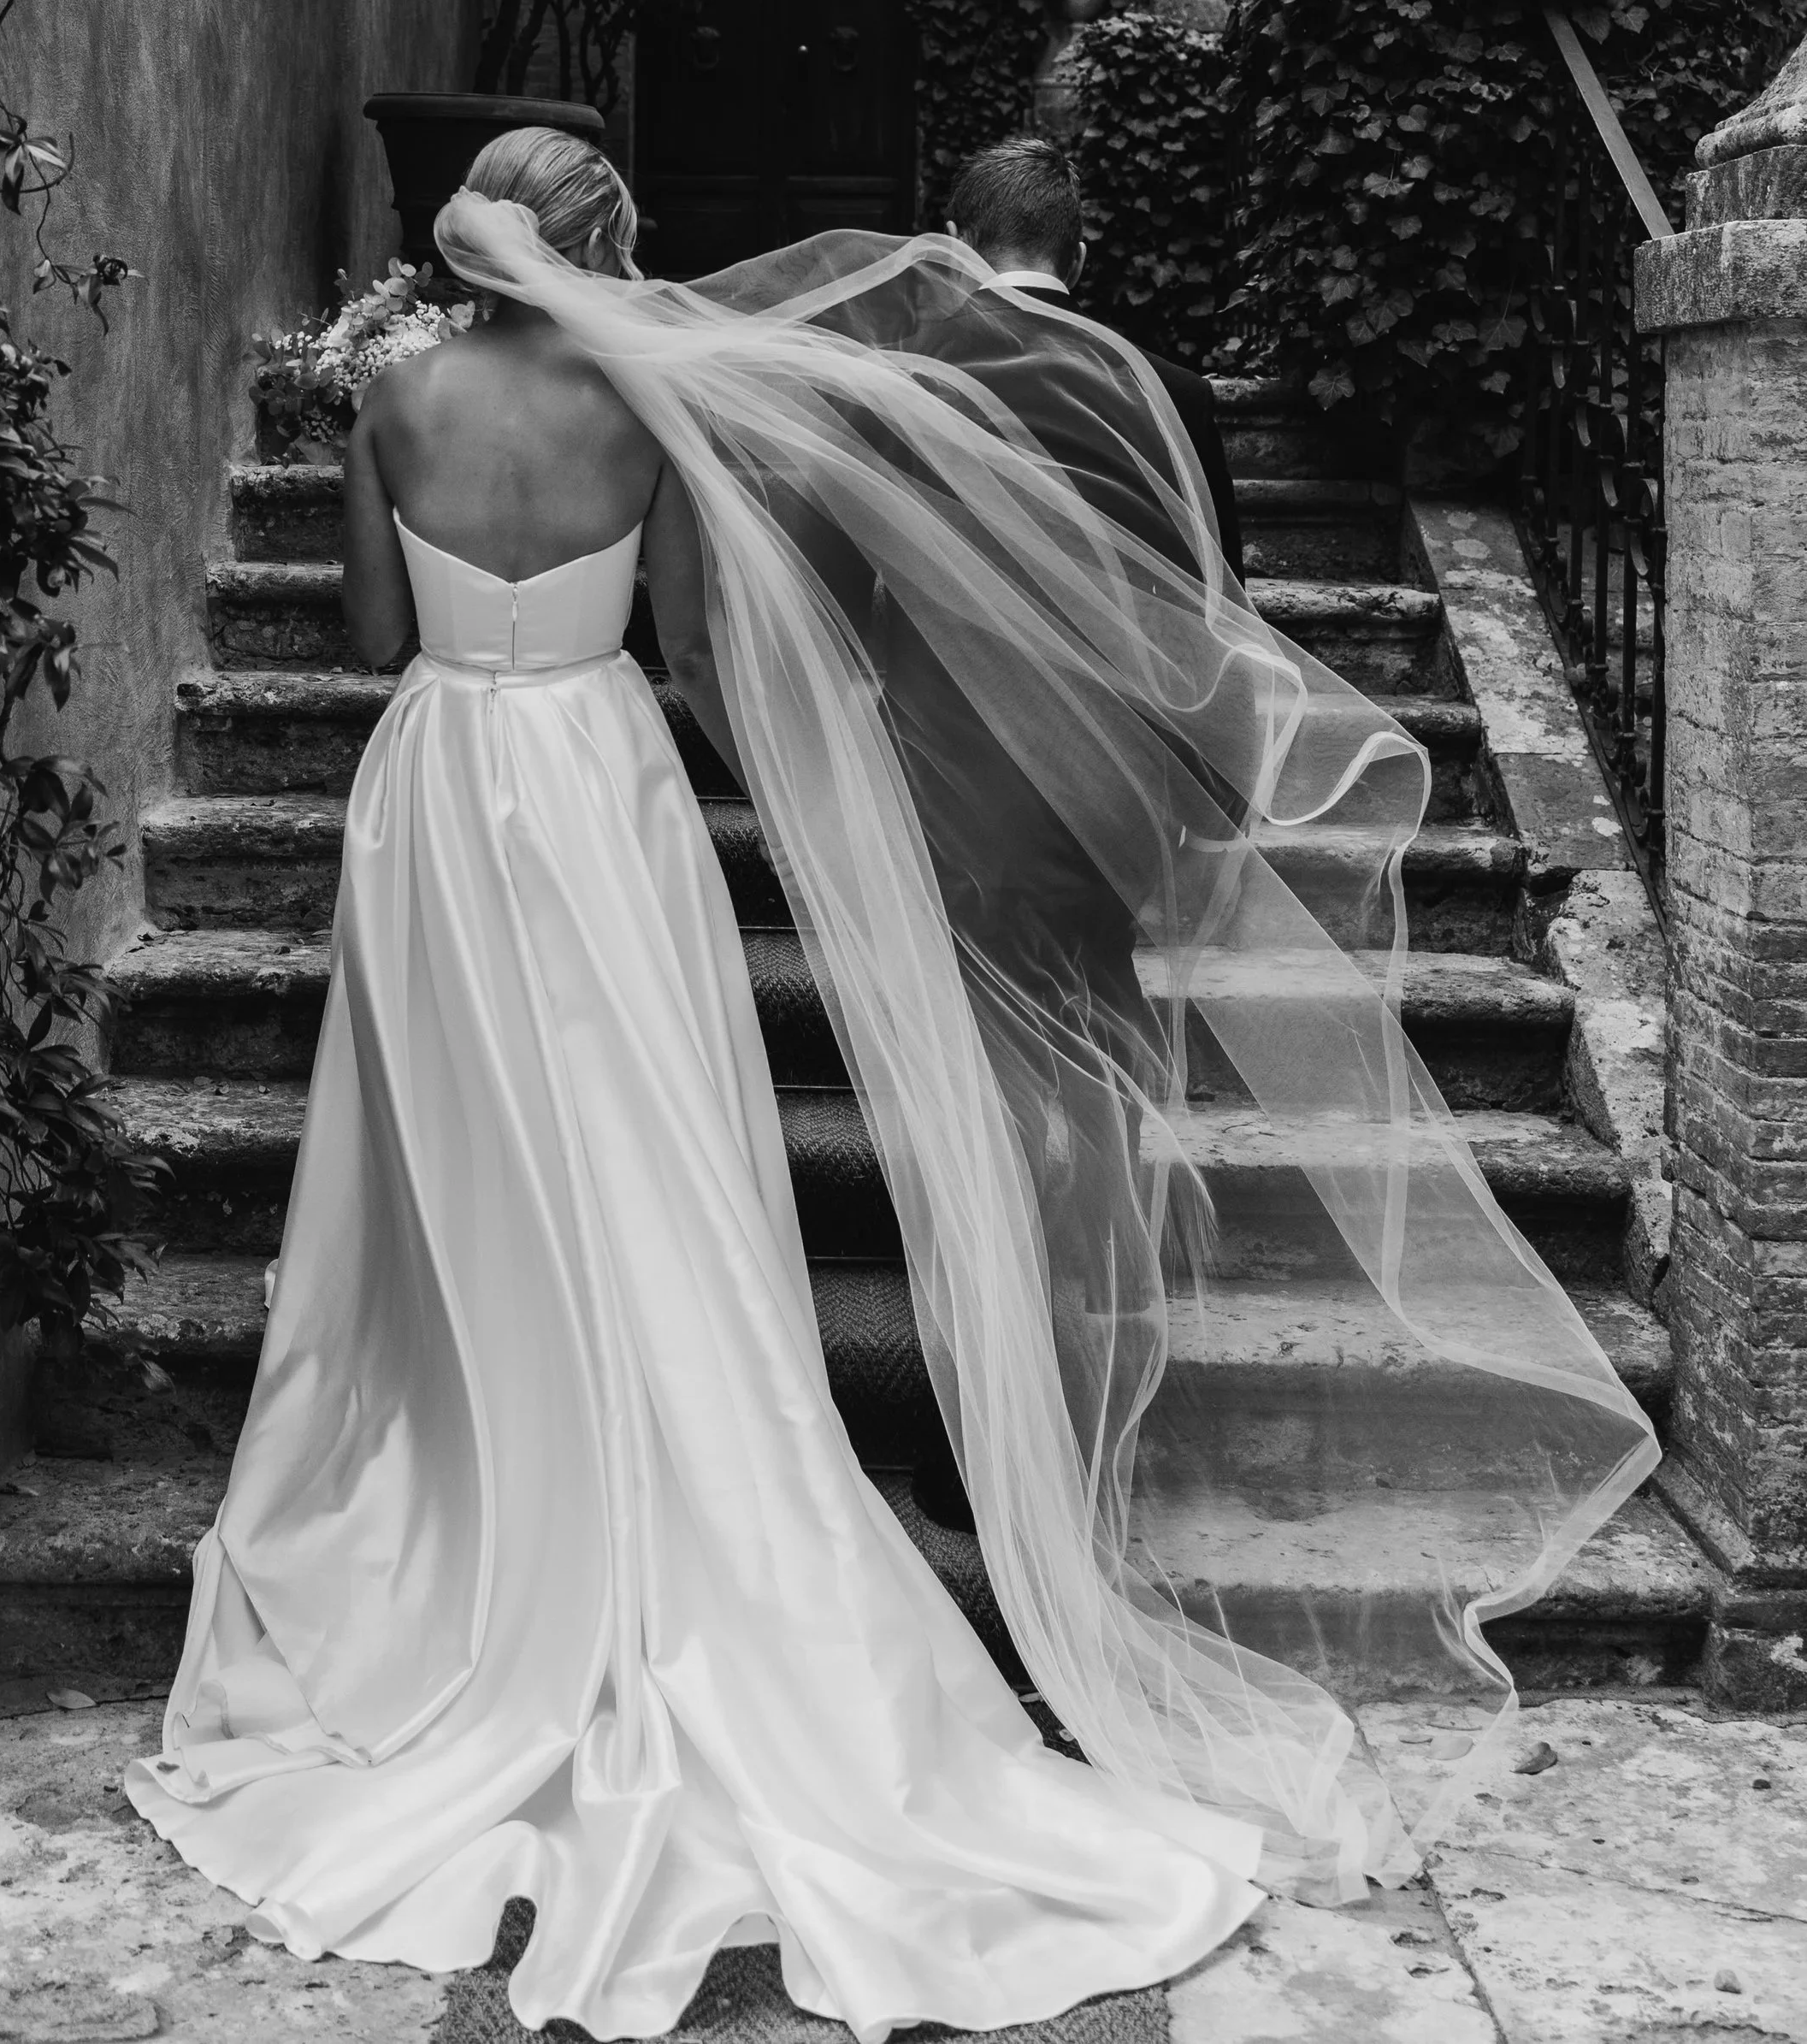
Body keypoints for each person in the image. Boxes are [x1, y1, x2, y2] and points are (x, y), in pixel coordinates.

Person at [127, 131, 1658, 2029]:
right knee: (653, 1153)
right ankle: (755, 1479)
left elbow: (366, 635)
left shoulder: (388, 396)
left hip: (439, 793)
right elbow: (695, 645)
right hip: (601, 793)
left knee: (444, 1154)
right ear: (602, 245)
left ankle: (460, 1487)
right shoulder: (656, 414)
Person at [942, 133, 1245, 581]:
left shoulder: (897, 378)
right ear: (1078, 262)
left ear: (952, 249)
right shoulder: (1179, 396)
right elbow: (1225, 598)